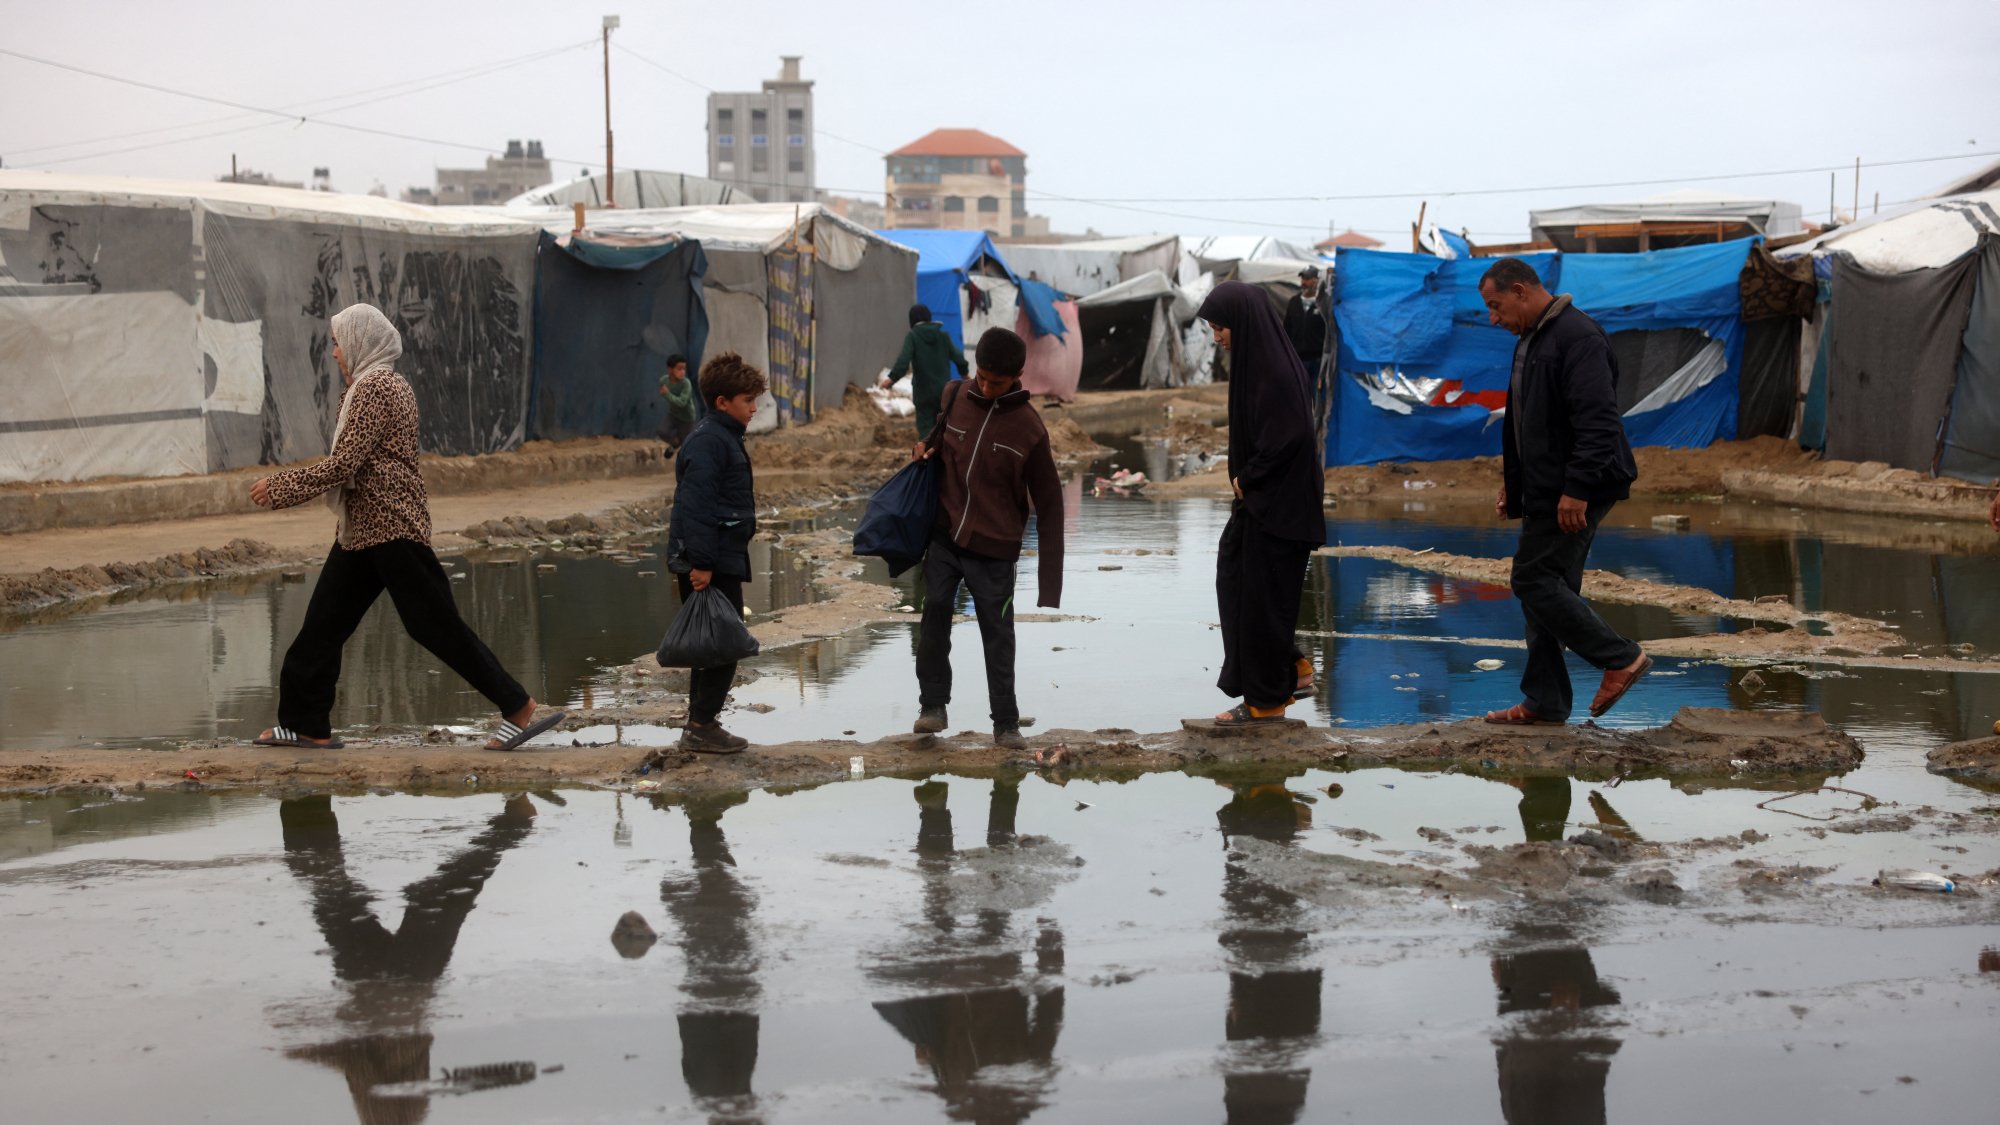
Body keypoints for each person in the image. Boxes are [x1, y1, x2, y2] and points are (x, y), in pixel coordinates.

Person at [248, 303, 564, 752]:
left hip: (391, 528)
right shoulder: (376, 385)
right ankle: (305, 726)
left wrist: (278, 487)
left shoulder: (376, 387)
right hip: (363, 532)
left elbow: (344, 464)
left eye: (338, 343)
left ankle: (517, 706)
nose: (335, 354)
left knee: (435, 627)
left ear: (359, 342)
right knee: (321, 628)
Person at [1477, 257, 1650, 725]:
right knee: (1549, 589)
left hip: (1577, 486)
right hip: (1548, 486)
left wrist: (1577, 489)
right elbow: (1526, 423)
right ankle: (1546, 702)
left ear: (1520, 290)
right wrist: (1515, 488)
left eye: (1496, 306)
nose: (1494, 318)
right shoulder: (1532, 339)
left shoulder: (1578, 336)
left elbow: (1598, 421)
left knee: (1531, 580)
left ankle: (1620, 657)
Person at [910, 328, 1064, 750]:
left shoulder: (1030, 430)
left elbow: (1050, 503)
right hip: (946, 535)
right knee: (936, 612)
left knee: (997, 632)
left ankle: (1006, 723)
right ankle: (933, 707)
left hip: (995, 548)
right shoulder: (954, 396)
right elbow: (939, 443)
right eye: (981, 376)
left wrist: (1050, 585)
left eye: (996, 382)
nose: (985, 386)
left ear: (1017, 376)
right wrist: (925, 447)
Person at [1199, 281, 1327, 726]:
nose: (1217, 336)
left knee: (1260, 603)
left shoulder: (1271, 369)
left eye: (1220, 327)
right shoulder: (1260, 362)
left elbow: (1291, 435)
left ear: (1243, 323)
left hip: (1279, 508)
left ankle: (1266, 701)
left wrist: (1248, 478)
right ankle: (1293, 669)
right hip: (1264, 506)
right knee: (1239, 583)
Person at [666, 351, 765, 753]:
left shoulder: (720, 436)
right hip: (709, 561)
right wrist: (703, 563)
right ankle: (702, 724)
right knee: (724, 645)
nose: (754, 408)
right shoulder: (710, 441)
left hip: (717, 557)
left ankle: (699, 725)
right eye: (747, 400)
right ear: (723, 402)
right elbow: (698, 506)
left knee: (711, 646)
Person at [890, 303, 969, 438]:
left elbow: (903, 360)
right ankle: (943, 456)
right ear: (929, 317)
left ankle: (927, 457)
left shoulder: (913, 336)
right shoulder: (943, 336)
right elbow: (959, 357)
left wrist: (892, 378)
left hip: (923, 393)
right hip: (944, 391)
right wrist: (964, 373)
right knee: (943, 428)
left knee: (926, 431)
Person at [1282, 265, 1328, 372]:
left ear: (1317, 280)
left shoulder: (1324, 303)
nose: (1303, 282)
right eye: (1302, 278)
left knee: (1315, 388)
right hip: (1297, 359)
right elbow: (1287, 329)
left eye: (1307, 279)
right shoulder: (1294, 302)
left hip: (1318, 359)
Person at [656, 352, 696, 453]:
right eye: (679, 369)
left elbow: (682, 402)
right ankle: (675, 443)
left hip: (686, 418)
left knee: (686, 445)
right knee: (662, 432)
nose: (683, 372)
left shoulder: (686, 384)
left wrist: (667, 394)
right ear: (670, 370)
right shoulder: (664, 380)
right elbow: (663, 388)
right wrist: (664, 393)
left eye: (684, 369)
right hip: (673, 414)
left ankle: (679, 450)